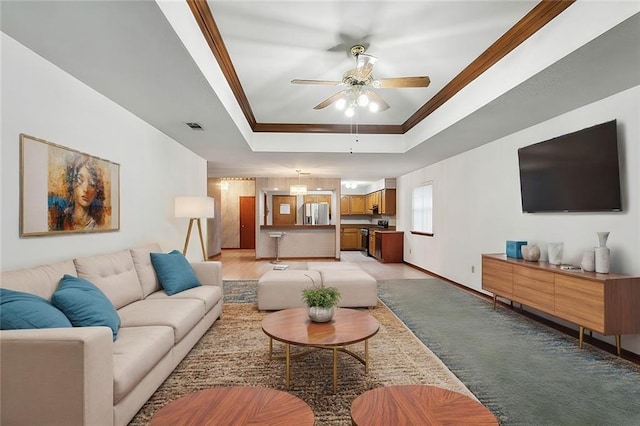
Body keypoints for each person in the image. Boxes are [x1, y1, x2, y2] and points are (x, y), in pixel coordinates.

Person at [52, 155, 105, 231]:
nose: (86, 189)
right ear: (72, 183)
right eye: (80, 180)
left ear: (96, 190)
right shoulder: (60, 219)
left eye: (92, 184)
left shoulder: (96, 228)